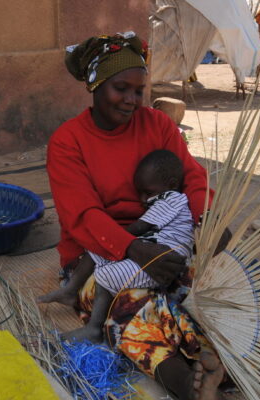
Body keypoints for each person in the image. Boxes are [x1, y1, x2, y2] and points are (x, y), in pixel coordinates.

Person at [44, 31, 230, 400]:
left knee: (202, 287)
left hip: (161, 240)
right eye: (120, 88)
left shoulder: (158, 125)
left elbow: (191, 176)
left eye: (139, 90)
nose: (131, 100)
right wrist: (136, 249)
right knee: (127, 305)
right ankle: (186, 384)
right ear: (95, 84)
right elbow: (82, 216)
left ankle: (222, 357)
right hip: (96, 255)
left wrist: (206, 219)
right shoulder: (68, 142)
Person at [39, 149, 194, 344]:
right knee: (98, 250)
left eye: (148, 193)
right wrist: (111, 244)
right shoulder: (162, 197)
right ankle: (70, 290)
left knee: (106, 274)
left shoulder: (173, 199)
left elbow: (139, 227)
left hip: (162, 263)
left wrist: (117, 240)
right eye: (140, 193)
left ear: (171, 184)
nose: (142, 200)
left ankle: (94, 328)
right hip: (149, 249)